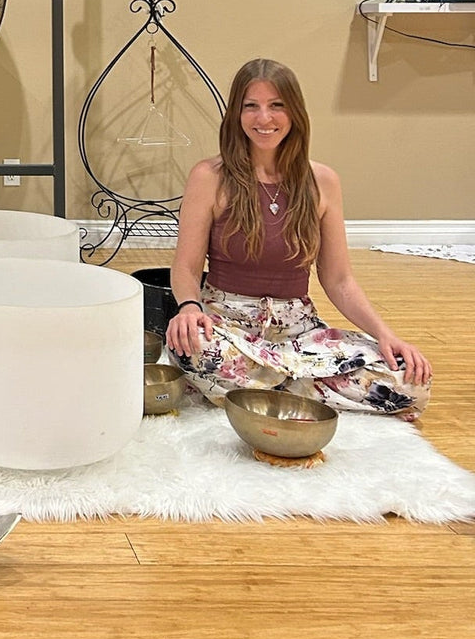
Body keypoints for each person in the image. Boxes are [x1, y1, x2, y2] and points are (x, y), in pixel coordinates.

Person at [165, 58, 431, 420]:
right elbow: (186, 266)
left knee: (407, 382)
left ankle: (265, 389)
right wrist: (189, 308)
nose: (264, 119)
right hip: (226, 326)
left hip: (298, 334)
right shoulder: (209, 176)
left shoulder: (323, 181)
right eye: (251, 106)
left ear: (295, 113)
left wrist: (386, 335)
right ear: (236, 114)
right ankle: (311, 391)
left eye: (277, 106)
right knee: (191, 349)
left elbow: (339, 280)